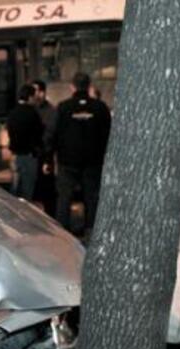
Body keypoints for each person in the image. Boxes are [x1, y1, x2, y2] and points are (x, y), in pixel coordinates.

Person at [53, 72, 112, 234]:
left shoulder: (63, 107)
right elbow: (108, 134)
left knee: (64, 198)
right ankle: (91, 230)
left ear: (72, 87)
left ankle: (63, 231)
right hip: (93, 161)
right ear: (89, 86)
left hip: (68, 161)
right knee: (92, 197)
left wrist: (50, 156)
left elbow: (53, 133)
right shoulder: (100, 108)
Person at [6, 84, 44, 201]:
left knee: (15, 190)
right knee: (27, 191)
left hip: (15, 155)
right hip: (29, 155)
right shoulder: (32, 113)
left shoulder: (12, 113)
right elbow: (38, 134)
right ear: (30, 97)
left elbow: (10, 132)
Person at [32, 79, 57, 215]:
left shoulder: (50, 111)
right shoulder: (33, 109)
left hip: (44, 155)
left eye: (34, 91)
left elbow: (50, 135)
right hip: (36, 154)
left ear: (41, 92)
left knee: (47, 191)